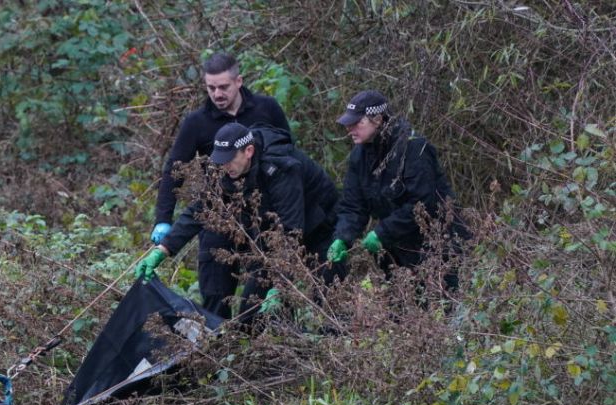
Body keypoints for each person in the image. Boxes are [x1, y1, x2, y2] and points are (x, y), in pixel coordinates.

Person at [137, 122, 342, 320]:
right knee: (251, 316)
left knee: (329, 299)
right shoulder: (226, 169)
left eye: (229, 159)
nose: (225, 166)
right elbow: (200, 209)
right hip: (271, 238)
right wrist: (163, 249)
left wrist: (279, 285)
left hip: (319, 228)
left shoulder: (280, 169)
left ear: (249, 151)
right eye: (221, 160)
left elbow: (291, 231)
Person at [150, 52, 292, 318]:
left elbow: (288, 156)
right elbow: (174, 171)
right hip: (218, 213)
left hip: (263, 214)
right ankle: (219, 351)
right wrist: (163, 219)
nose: (217, 93)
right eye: (210, 87)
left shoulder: (266, 108)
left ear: (238, 81)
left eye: (223, 86)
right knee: (215, 293)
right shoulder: (197, 123)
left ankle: (273, 347)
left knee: (263, 292)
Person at [326, 90, 468, 292]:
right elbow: (353, 205)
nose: (350, 128)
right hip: (397, 251)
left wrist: (382, 232)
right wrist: (343, 236)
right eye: (349, 123)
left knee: (445, 306)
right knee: (402, 311)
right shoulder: (359, 155)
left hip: (439, 245)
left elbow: (423, 203)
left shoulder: (414, 148)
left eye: (357, 123)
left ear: (377, 119)